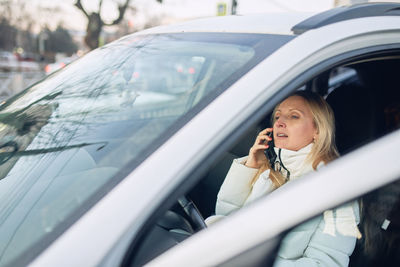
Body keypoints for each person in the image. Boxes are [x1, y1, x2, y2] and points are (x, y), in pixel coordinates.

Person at [206, 91, 361, 267]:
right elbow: (225, 216)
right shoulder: (270, 170)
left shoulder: (336, 187)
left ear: (318, 130)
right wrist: (251, 166)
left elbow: (326, 263)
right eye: (278, 116)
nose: (280, 122)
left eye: (294, 116)